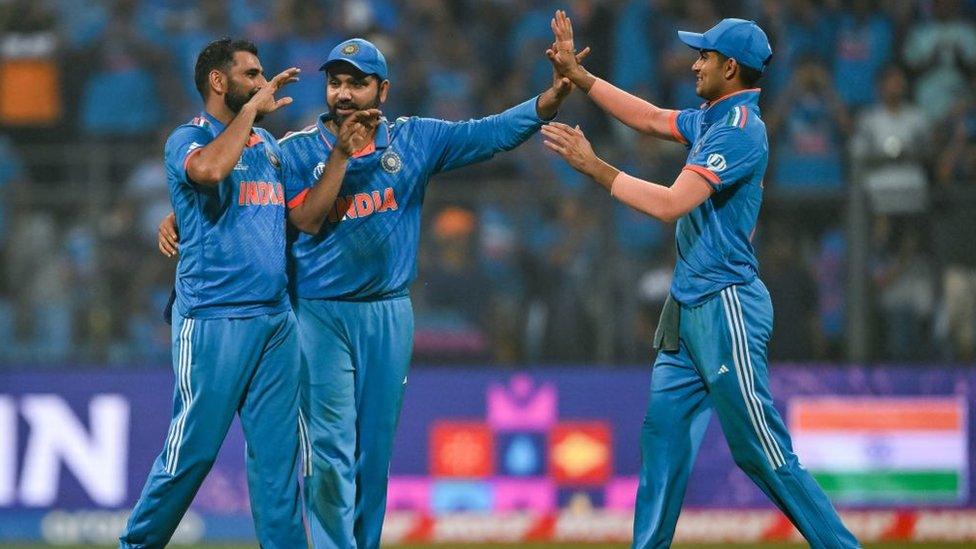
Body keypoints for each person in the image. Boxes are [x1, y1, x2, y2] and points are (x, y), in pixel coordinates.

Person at [159, 36, 585, 549]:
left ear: (381, 90)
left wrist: (551, 100)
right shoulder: (294, 151)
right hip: (317, 313)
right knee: (329, 454)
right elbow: (270, 205)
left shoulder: (413, 141)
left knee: (373, 455)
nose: (344, 94)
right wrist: (178, 217)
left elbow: (487, 134)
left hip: (388, 313)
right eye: (336, 83)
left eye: (357, 84)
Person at [543, 11, 859, 548]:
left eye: (704, 56)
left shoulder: (739, 132)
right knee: (662, 442)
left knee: (761, 453)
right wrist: (580, 77)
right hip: (688, 307)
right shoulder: (714, 117)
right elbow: (646, 118)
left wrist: (596, 168)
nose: (694, 63)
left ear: (730, 68)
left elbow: (671, 205)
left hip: (725, 304)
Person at [123, 37, 376, 549]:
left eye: (262, 78)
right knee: (190, 453)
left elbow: (302, 220)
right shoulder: (187, 137)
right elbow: (209, 171)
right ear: (219, 82)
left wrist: (341, 158)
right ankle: (137, 544)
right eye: (252, 75)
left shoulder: (267, 149)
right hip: (214, 321)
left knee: (279, 463)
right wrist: (253, 114)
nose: (264, 85)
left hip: (275, 324)